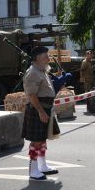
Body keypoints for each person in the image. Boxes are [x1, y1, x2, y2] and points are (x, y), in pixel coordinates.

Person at [22, 46, 61, 180]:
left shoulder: (42, 71)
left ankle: (42, 165)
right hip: (37, 110)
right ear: (37, 58)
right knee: (36, 141)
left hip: (45, 109)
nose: (48, 58)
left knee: (42, 138)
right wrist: (41, 112)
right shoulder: (33, 72)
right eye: (45, 56)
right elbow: (32, 95)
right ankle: (33, 170)